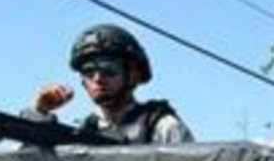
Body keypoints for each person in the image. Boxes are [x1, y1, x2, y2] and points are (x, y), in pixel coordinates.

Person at [28, 24, 193, 145]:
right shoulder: (83, 132)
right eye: (88, 71)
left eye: (109, 68)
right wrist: (40, 112)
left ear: (134, 75)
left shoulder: (162, 128)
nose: (97, 78)